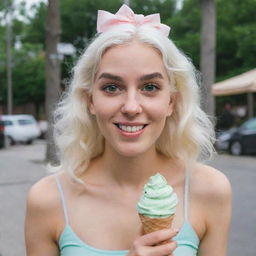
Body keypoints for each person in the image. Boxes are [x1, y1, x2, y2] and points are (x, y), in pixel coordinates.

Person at [25, 4, 231, 256]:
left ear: (171, 102)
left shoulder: (210, 190)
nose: (131, 107)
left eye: (150, 87)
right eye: (112, 87)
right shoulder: (48, 199)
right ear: (90, 100)